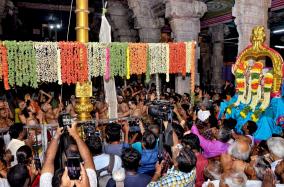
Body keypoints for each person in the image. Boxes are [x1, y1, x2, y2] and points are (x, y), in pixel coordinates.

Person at [40, 123, 97, 187]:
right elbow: (88, 158)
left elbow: (48, 159)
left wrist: (56, 136)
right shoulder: (90, 184)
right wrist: (76, 135)